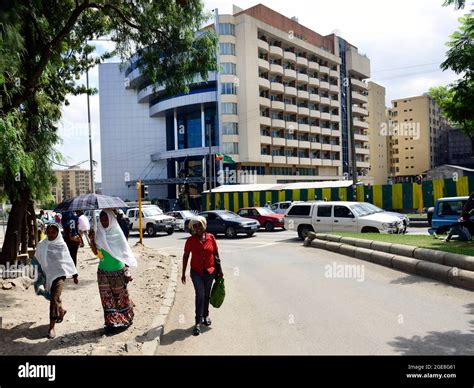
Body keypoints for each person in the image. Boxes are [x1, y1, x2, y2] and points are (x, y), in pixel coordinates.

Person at [88, 210, 137, 334]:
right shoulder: (99, 233)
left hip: (118, 271)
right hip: (103, 272)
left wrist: (127, 271)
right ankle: (111, 323)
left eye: (106, 219)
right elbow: (98, 254)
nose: (104, 222)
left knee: (120, 299)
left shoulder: (117, 233)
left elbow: (125, 254)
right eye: (102, 219)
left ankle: (126, 319)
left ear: (111, 219)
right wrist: (92, 240)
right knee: (107, 300)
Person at [34, 224, 79, 339]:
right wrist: (37, 275)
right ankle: (61, 310)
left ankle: (51, 327)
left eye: (53, 232)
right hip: (47, 275)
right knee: (54, 298)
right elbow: (37, 259)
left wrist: (74, 275)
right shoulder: (42, 245)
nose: (51, 234)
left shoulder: (61, 245)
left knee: (54, 298)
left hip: (60, 275)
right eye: (48, 231)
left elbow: (68, 259)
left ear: (58, 233)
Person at [181, 216, 223, 336]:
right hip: (196, 272)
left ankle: (206, 316)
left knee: (206, 295)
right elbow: (185, 256)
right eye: (195, 226)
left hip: (210, 272)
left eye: (200, 225)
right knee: (200, 295)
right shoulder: (190, 240)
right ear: (192, 228)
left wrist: (220, 270)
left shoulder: (211, 238)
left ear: (204, 226)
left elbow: (216, 254)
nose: (198, 228)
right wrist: (183, 272)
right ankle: (197, 322)